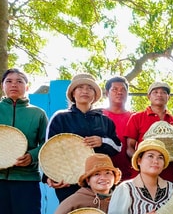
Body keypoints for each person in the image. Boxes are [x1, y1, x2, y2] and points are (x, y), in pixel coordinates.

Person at [0, 69, 48, 214]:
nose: (14, 85)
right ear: (2, 85)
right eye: (9, 81)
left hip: (26, 180)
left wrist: (32, 156)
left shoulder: (37, 113)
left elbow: (45, 144)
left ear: (27, 86)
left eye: (19, 81)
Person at [46, 73, 122, 202]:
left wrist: (102, 141)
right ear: (73, 93)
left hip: (100, 182)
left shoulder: (105, 120)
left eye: (89, 88)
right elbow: (49, 150)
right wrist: (50, 176)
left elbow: (118, 147)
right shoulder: (60, 118)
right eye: (80, 87)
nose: (85, 91)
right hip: (69, 182)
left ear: (95, 95)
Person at [125, 82, 173, 184]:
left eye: (163, 92)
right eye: (155, 92)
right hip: (141, 178)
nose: (159, 94)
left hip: (167, 177)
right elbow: (129, 147)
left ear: (169, 97)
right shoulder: (136, 118)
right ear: (148, 96)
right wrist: (143, 162)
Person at [103, 76, 133, 181]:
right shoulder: (98, 116)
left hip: (130, 177)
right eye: (114, 89)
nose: (119, 92)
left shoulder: (134, 118)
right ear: (107, 93)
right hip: (103, 177)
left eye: (123, 90)